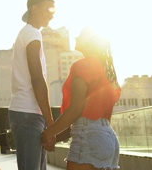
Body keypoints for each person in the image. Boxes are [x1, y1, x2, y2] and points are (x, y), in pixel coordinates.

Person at [42, 27, 122, 170]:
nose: (76, 38)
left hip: (88, 137)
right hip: (109, 138)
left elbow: (76, 110)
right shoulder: (106, 71)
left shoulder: (83, 66)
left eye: (80, 36)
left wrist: (48, 133)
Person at [9, 0, 56, 170]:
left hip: (29, 114)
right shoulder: (32, 34)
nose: (53, 14)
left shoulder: (28, 33)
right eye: (49, 8)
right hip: (28, 114)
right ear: (34, 9)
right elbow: (37, 79)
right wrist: (51, 124)